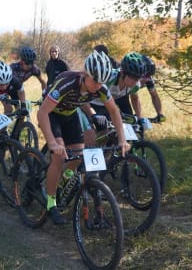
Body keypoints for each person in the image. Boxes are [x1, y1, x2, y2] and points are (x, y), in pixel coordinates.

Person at [37, 50, 130, 225]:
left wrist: (122, 139)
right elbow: (42, 113)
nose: (98, 85)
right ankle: (51, 204)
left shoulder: (100, 87)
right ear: (86, 74)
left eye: (102, 81)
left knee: (78, 156)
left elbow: (114, 111)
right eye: (95, 80)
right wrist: (51, 142)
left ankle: (61, 179)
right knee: (58, 156)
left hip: (71, 113)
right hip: (51, 114)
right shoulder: (67, 83)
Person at [116, 55, 166, 122]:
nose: (147, 79)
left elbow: (154, 96)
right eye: (145, 76)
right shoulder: (128, 73)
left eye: (149, 76)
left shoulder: (149, 80)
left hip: (124, 94)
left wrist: (159, 113)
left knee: (130, 121)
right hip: (115, 91)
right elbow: (134, 98)